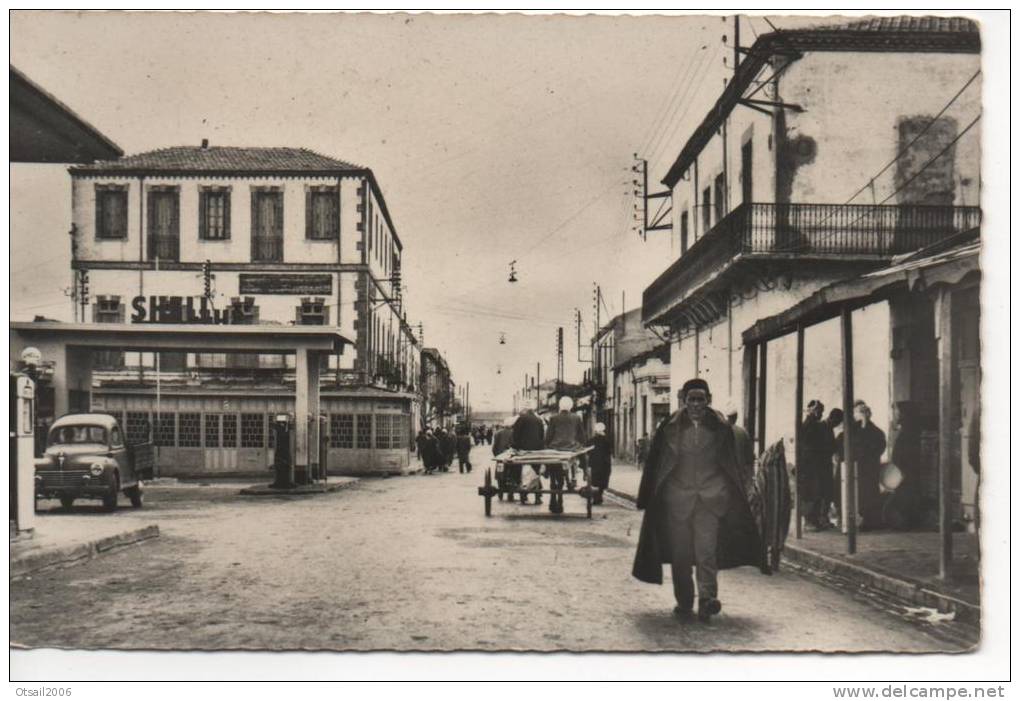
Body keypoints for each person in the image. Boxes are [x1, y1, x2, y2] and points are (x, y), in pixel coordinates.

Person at [632, 378, 764, 623]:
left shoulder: (721, 428)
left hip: (710, 499)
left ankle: (707, 600)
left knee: (706, 552)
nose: (695, 404)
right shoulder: (669, 428)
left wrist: (730, 490)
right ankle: (684, 602)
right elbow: (655, 464)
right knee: (681, 555)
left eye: (700, 399)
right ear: (683, 400)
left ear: (708, 400)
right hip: (678, 500)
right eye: (691, 399)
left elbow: (732, 464)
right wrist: (648, 496)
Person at [836, 400, 886, 530]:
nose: (862, 415)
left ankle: (870, 520)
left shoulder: (876, 432)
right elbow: (845, 447)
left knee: (869, 493)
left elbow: (877, 448)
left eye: (865, 412)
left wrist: (864, 426)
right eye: (859, 412)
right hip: (853, 469)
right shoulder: (849, 432)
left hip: (869, 469)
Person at [544, 396, 587, 514]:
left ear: (560, 406)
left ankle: (553, 500)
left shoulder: (553, 418)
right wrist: (580, 444)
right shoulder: (576, 418)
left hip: (555, 449)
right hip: (570, 449)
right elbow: (582, 436)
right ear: (571, 407)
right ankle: (584, 471)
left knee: (553, 476)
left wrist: (547, 445)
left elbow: (548, 437)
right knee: (582, 455)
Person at [799, 400, 834, 530]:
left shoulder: (816, 425)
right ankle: (809, 521)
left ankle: (815, 520)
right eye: (819, 411)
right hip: (809, 465)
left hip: (816, 465)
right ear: (813, 411)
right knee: (811, 493)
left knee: (817, 492)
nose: (821, 414)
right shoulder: (808, 424)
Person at [511, 408, 545, 504]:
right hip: (536, 450)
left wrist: (515, 447)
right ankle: (538, 496)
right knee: (536, 472)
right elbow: (542, 436)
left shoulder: (521, 419)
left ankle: (523, 494)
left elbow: (515, 435)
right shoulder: (539, 420)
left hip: (523, 450)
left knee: (522, 472)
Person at [725, 406, 755, 489]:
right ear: (736, 417)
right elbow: (750, 457)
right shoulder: (743, 433)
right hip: (740, 476)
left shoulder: (720, 431)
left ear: (727, 417)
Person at [588, 422, 612, 505]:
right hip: (605, 463)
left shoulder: (591, 440)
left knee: (595, 481)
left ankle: (596, 498)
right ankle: (600, 496)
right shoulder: (607, 440)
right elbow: (609, 452)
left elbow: (588, 451)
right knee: (603, 480)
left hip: (595, 463)